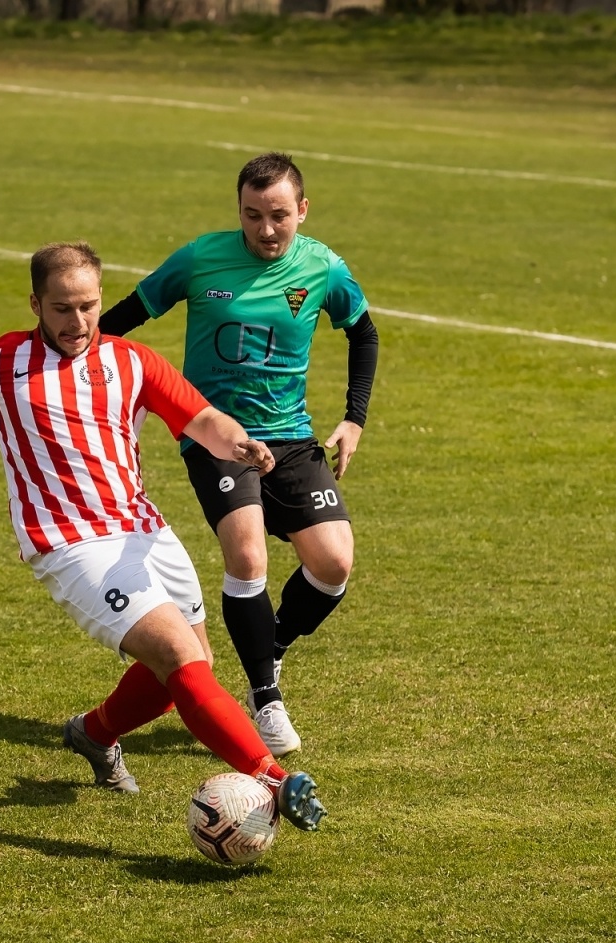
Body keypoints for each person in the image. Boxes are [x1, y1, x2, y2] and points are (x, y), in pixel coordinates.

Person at [0, 241, 327, 832]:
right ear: (35, 304)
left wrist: (241, 444)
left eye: (89, 307)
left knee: (185, 670)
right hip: (70, 543)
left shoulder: (132, 361)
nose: (78, 323)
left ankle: (94, 733)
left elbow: (201, 419)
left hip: (142, 530)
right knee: (181, 658)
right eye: (62, 309)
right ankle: (274, 781)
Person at [98, 152, 379, 757]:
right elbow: (127, 315)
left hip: (292, 435)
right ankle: (264, 696)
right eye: (253, 215)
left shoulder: (323, 267)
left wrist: (354, 419)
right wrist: (65, 361)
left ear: (302, 210)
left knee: (333, 564)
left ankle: (268, 645)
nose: (267, 229)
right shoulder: (201, 258)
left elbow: (363, 331)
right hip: (215, 433)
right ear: (240, 212)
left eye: (279, 215)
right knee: (247, 553)